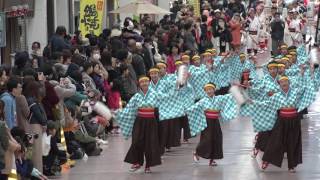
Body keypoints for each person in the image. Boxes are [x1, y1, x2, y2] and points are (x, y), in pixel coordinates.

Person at [116, 76, 163, 173]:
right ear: (139, 84)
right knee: (136, 141)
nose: (144, 84)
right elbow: (128, 109)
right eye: (142, 82)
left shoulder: (155, 94)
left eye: (146, 81)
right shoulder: (136, 96)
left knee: (150, 143)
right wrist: (117, 113)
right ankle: (137, 162)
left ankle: (148, 165)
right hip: (140, 121)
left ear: (149, 83)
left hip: (151, 121)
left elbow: (165, 102)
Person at [187, 83, 237, 166]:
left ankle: (212, 159)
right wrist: (186, 110)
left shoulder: (219, 98)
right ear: (205, 91)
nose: (209, 91)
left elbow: (228, 97)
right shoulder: (203, 100)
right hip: (207, 122)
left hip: (215, 121)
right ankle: (197, 152)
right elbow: (194, 107)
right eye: (207, 90)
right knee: (207, 139)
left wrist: (236, 90)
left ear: (214, 90)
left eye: (211, 89)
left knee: (216, 139)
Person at [24, 81, 47, 173]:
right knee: (36, 152)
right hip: (34, 127)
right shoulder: (31, 100)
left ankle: (38, 172)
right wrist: (44, 123)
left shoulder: (32, 99)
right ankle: (37, 172)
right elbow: (38, 114)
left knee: (36, 151)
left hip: (35, 126)